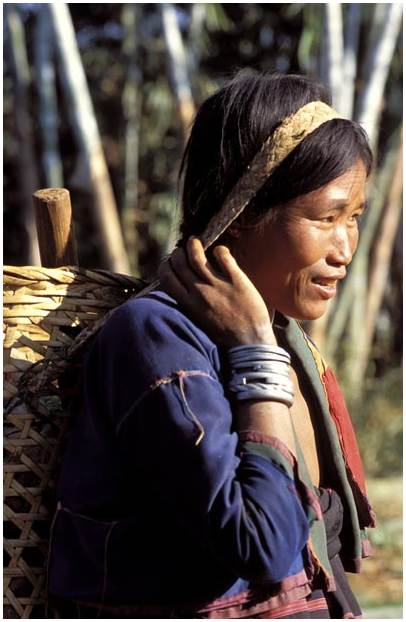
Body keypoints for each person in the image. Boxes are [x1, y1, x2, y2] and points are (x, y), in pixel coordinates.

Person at [47, 70, 376, 618]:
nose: (344, 247)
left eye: (354, 217)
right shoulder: (154, 336)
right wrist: (253, 350)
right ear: (244, 213)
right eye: (325, 218)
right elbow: (263, 546)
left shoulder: (285, 339)